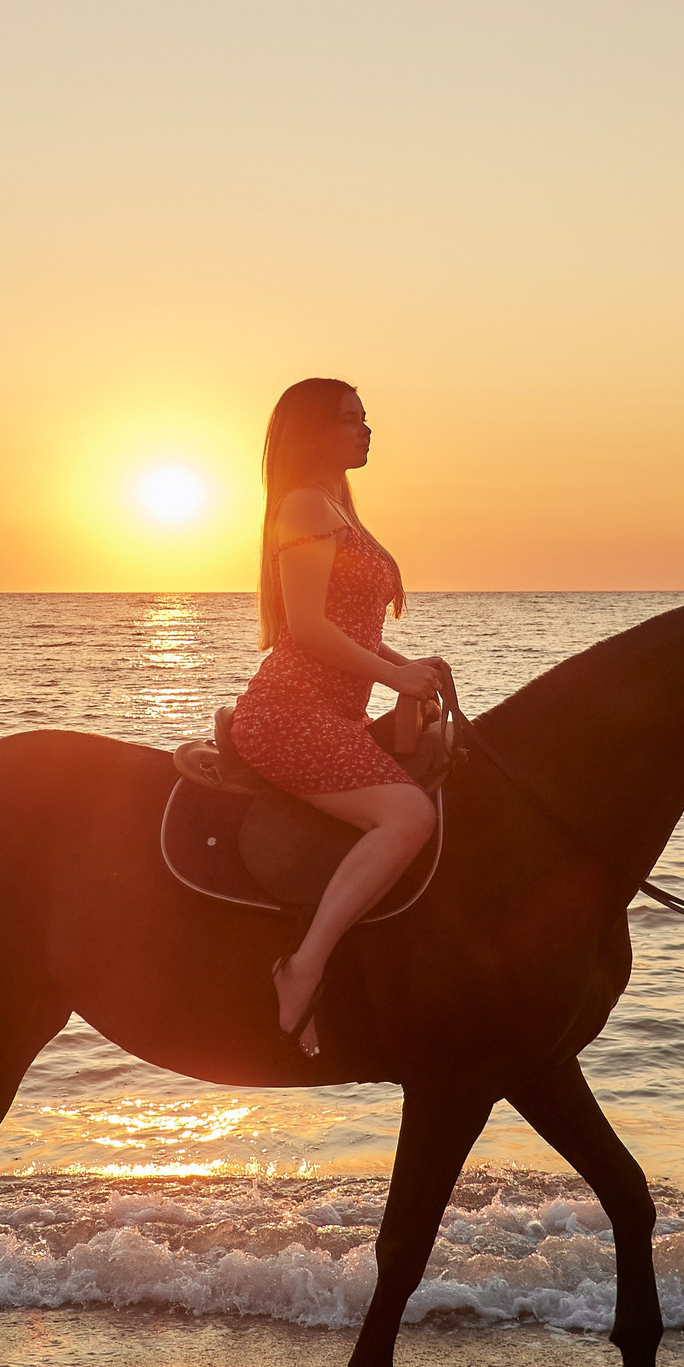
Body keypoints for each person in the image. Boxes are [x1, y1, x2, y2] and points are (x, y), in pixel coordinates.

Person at [229, 378, 449, 1055]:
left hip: (331, 713)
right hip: (289, 712)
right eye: (351, 420)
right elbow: (306, 629)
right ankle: (302, 968)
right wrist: (394, 677)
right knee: (409, 817)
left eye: (364, 418)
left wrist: (409, 667)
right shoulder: (304, 504)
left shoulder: (337, 509)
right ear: (315, 432)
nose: (366, 429)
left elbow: (351, 629)